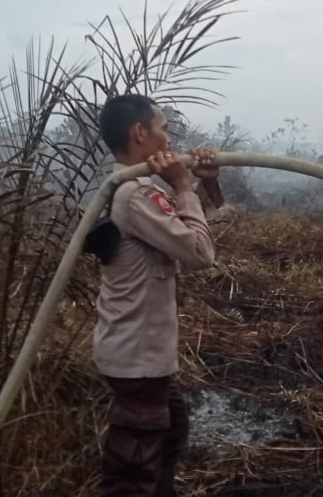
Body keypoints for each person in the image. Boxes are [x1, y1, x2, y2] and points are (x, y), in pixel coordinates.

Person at [92, 93, 225, 497]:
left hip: (143, 357)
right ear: (139, 133)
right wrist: (183, 185)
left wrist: (206, 185)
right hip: (136, 359)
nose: (170, 138)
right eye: (165, 128)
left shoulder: (141, 191)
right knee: (133, 468)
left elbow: (183, 227)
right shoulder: (135, 194)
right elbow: (199, 252)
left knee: (171, 432)